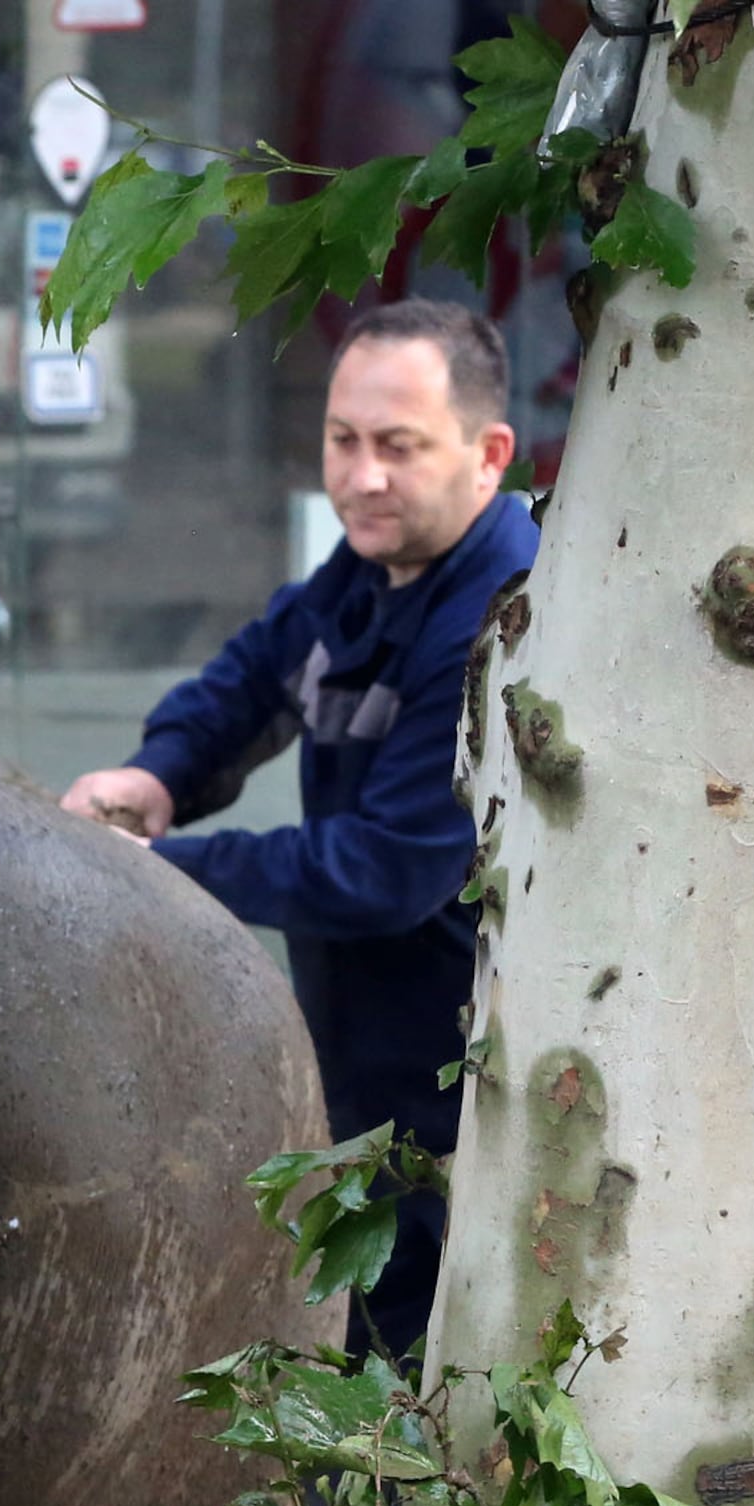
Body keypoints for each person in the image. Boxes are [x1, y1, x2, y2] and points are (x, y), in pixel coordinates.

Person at [60, 298, 536, 1358]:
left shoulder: (504, 612)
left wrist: (157, 869)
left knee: (427, 1385)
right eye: (343, 441)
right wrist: (158, 774)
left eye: (399, 448)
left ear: (489, 453)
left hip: (471, 1114)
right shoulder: (373, 566)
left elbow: (387, 871)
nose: (362, 476)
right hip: (365, 1086)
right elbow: (257, 677)